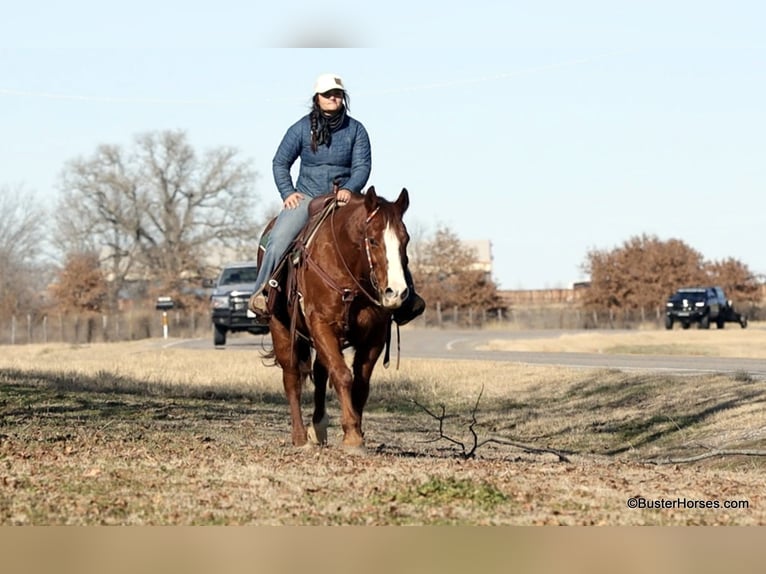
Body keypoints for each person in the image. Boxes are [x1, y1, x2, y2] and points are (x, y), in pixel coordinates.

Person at [249, 73, 424, 325]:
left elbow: (362, 166)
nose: (333, 98)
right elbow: (280, 163)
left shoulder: (356, 130)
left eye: (337, 94)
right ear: (317, 98)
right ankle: (263, 293)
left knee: (386, 234)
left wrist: (350, 188)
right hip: (307, 197)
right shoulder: (299, 128)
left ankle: (406, 300)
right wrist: (288, 193)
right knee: (277, 239)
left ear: (343, 97)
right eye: (327, 94)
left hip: (346, 197)